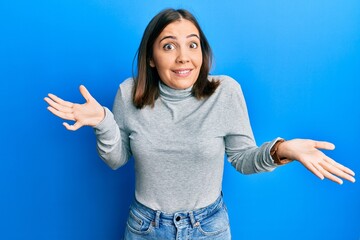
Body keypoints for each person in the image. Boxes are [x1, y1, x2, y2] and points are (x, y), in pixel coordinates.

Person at [44, 8, 355, 240]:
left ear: (202, 52)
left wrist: (279, 149)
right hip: (145, 227)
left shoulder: (225, 92)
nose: (183, 57)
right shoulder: (129, 93)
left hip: (209, 227)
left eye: (192, 45)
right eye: (169, 46)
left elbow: (242, 159)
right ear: (151, 57)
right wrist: (103, 121)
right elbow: (116, 160)